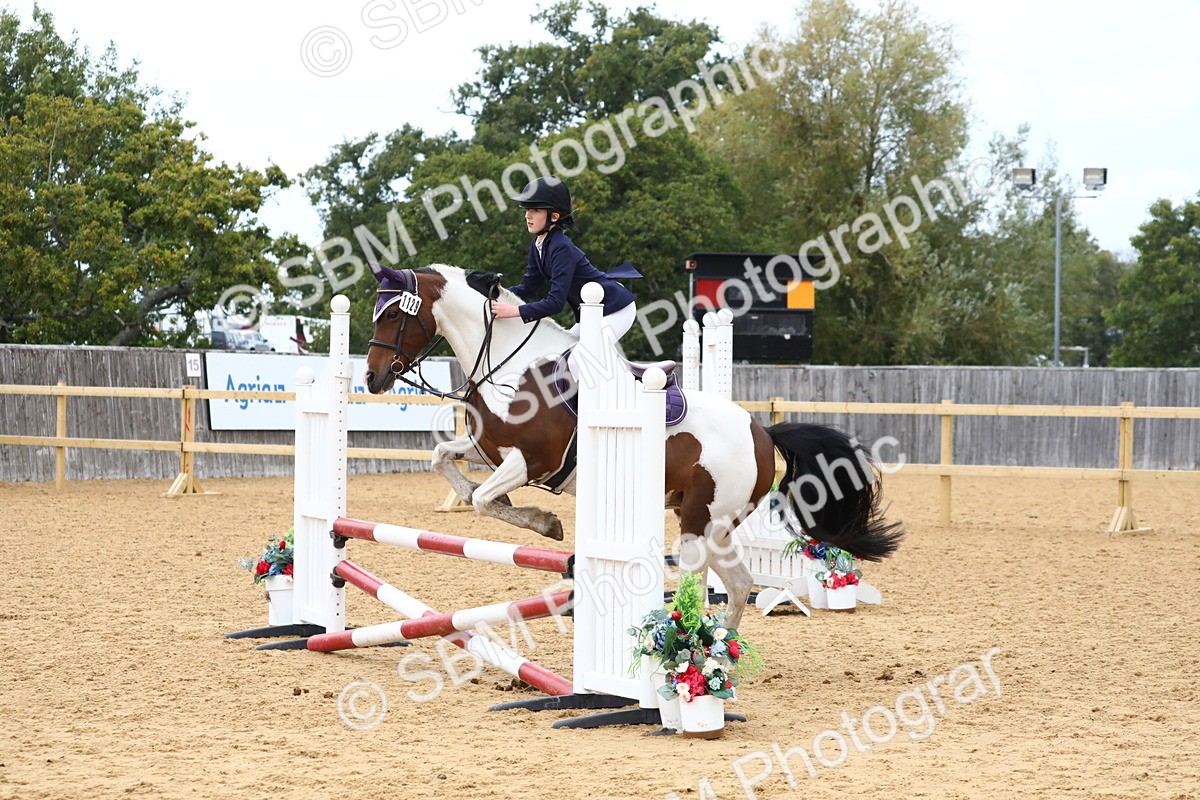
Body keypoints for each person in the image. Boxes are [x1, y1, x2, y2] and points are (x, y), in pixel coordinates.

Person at [490, 177, 641, 380]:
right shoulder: (539, 244)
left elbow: (555, 303)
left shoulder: (561, 246)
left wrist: (513, 311)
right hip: (592, 313)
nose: (527, 216)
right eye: (527, 210)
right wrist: (497, 294)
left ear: (553, 215)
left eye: (534, 210)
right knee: (558, 354)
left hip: (615, 310)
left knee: (577, 363)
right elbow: (528, 287)